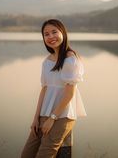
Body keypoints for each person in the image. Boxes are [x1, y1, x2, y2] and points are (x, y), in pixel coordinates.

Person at [21, 19, 87, 158]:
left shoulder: (71, 59)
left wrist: (52, 118)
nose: (51, 37)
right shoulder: (47, 61)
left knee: (45, 154)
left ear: (63, 32)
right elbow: (44, 90)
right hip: (44, 114)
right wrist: (35, 119)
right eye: (46, 34)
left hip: (62, 116)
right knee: (26, 155)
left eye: (54, 32)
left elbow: (69, 93)